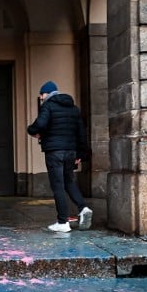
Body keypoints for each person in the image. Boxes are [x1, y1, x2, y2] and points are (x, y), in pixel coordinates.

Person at [27, 80, 92, 233]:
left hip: (55, 151)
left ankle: (63, 222)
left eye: (42, 95)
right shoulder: (73, 108)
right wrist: (81, 154)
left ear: (47, 93)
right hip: (70, 152)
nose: (41, 98)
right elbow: (81, 132)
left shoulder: (48, 106)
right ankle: (83, 208)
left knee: (58, 185)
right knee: (69, 181)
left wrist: (31, 130)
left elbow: (40, 124)